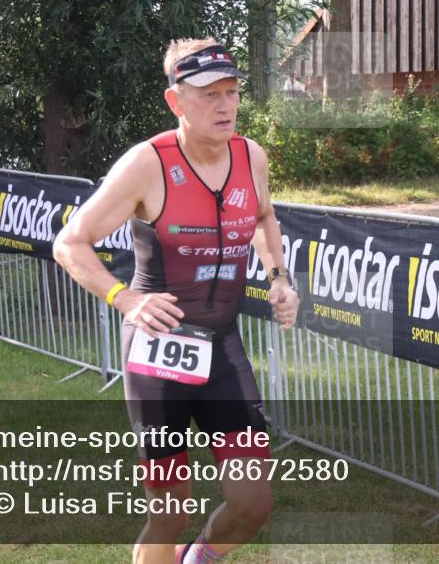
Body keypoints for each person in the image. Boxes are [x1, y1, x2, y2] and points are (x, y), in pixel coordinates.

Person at [53, 37, 300, 564]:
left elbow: (261, 218)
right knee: (169, 514)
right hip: (157, 355)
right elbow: (69, 243)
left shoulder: (250, 155)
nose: (225, 105)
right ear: (176, 101)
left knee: (253, 501)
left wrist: (278, 276)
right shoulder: (147, 164)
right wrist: (125, 300)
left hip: (223, 350)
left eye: (232, 92)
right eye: (209, 94)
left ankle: (199, 559)